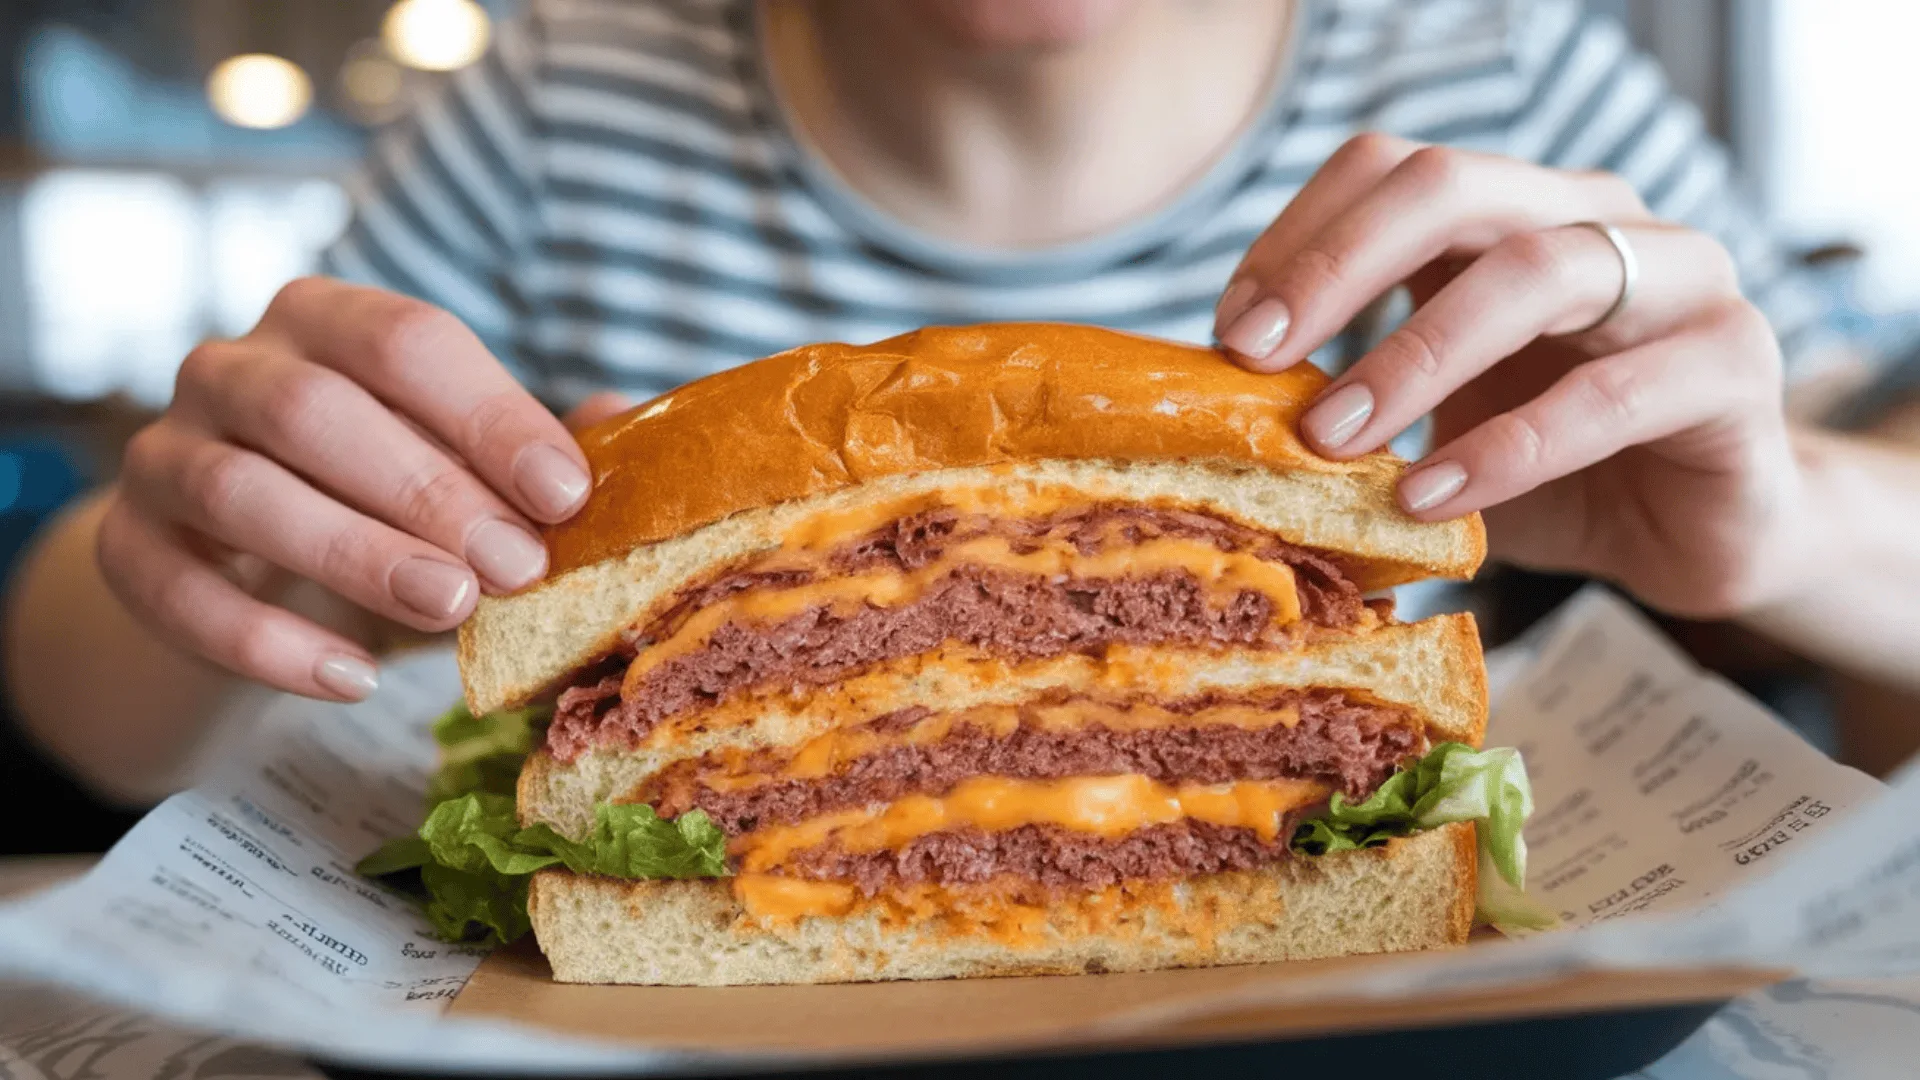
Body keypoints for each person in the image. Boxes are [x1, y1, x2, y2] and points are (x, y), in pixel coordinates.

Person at [5, 0, 1917, 803]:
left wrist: (1793, 518)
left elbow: (1860, 469)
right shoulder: (547, 114)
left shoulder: (1500, 82)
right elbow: (98, 731)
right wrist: (227, 557)